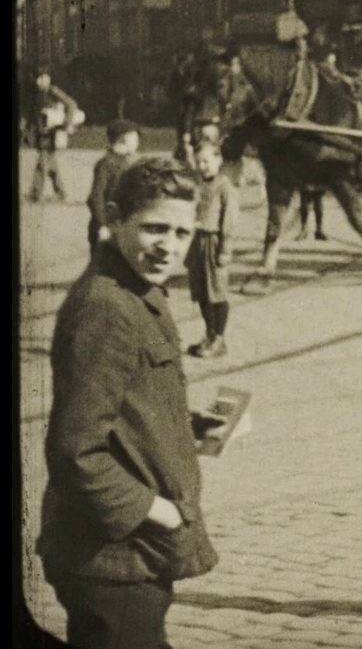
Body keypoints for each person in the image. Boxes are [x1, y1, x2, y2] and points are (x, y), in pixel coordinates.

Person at [38, 157, 219, 648]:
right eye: (154, 227)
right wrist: (158, 511)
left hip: (128, 556)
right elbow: (76, 451)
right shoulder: (107, 307)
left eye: (183, 233)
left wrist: (195, 427)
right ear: (113, 217)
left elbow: (124, 408)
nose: (169, 246)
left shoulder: (136, 290)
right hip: (110, 559)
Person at [187, 141, 238, 358]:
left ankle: (219, 338)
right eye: (199, 161)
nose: (202, 165)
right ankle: (209, 334)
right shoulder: (198, 184)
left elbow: (230, 220)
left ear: (218, 160)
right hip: (197, 242)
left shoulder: (225, 187)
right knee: (201, 293)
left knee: (216, 292)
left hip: (214, 243)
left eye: (207, 160)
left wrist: (225, 250)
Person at [28, 66, 83, 203]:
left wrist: (66, 125)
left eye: (45, 77)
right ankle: (60, 193)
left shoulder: (53, 91)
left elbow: (72, 104)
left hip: (50, 133)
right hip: (41, 133)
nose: (42, 81)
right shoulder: (37, 93)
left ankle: (36, 193)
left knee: (43, 162)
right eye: (40, 78)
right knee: (50, 163)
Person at [88, 119, 141, 251]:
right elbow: (97, 196)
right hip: (108, 226)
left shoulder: (126, 163)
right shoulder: (106, 164)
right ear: (122, 140)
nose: (137, 144)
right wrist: (102, 225)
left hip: (122, 225)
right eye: (134, 140)